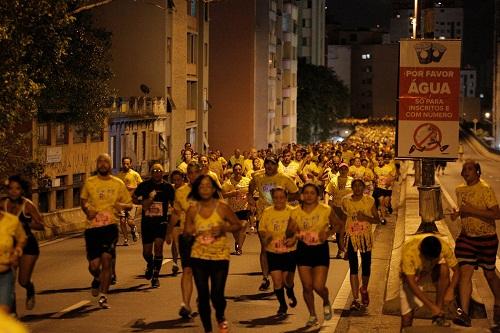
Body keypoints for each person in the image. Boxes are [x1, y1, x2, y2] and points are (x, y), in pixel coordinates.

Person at [184, 175, 242, 333]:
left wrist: (224, 229)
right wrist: (190, 232)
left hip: (220, 255)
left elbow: (237, 225)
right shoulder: (192, 209)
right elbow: (187, 231)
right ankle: (208, 329)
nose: (205, 189)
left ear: (214, 189)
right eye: (201, 186)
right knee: (202, 296)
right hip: (199, 256)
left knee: (217, 295)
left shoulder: (222, 207)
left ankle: (220, 316)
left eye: (208, 186)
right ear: (197, 189)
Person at [451, 160, 500, 327]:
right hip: (467, 238)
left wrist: (469, 210)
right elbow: (462, 210)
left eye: (470, 169)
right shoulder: (459, 190)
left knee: (490, 275)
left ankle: (498, 302)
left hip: (487, 239)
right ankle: (464, 314)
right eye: (464, 169)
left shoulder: (485, 190)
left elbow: (496, 214)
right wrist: (457, 214)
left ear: (478, 172)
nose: (466, 172)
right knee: (465, 274)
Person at [81, 153, 133, 308]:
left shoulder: (118, 183)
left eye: (106, 161)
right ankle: (97, 278)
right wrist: (87, 210)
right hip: (92, 229)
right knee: (94, 266)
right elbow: (83, 201)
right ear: (97, 164)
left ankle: (103, 296)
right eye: (100, 161)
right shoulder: (90, 182)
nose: (103, 164)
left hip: (110, 228)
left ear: (110, 165)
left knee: (107, 260)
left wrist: (121, 206)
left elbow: (129, 204)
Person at [248, 155, 300, 291]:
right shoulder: (258, 177)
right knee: (264, 247)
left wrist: (284, 200)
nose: (269, 166)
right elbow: (251, 186)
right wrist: (251, 199)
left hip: (281, 218)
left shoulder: (284, 178)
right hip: (263, 216)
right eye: (267, 164)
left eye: (272, 164)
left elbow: (296, 193)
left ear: (277, 165)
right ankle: (265, 278)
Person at [290, 184, 337, 326]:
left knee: (318, 286)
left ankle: (326, 300)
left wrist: (327, 233)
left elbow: (338, 224)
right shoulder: (295, 212)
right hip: (303, 249)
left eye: (312, 193)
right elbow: (290, 231)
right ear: (302, 195)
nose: (309, 195)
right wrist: (294, 235)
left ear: (318, 195)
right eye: (306, 193)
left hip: (320, 250)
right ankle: (312, 315)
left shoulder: (326, 210)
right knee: (307, 286)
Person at [0, 175, 44, 310]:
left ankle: (29, 289)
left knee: (22, 280)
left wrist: (25, 223)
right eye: (11, 188)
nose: (14, 191)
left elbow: (41, 225)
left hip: (28, 245)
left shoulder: (28, 205)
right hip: (9, 246)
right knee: (9, 282)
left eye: (17, 188)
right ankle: (12, 314)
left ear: (22, 190)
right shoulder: (3, 204)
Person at [400, 234, 459, 328]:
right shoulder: (409, 253)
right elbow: (411, 283)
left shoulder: (444, 246)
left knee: (444, 268)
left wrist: (451, 290)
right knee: (407, 318)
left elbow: (457, 270)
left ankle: (438, 316)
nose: (431, 261)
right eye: (428, 259)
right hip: (413, 275)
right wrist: (431, 306)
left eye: (434, 259)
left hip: (430, 270)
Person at [133, 164, 175, 288]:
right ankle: (150, 265)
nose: (157, 173)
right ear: (151, 172)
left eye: (159, 171)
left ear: (163, 173)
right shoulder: (144, 185)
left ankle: (155, 276)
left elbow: (174, 204)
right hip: (147, 222)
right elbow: (134, 198)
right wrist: (143, 202)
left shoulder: (167, 187)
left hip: (161, 222)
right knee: (146, 252)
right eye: (154, 171)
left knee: (158, 247)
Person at [169, 161, 202, 318]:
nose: (193, 176)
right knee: (187, 270)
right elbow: (176, 213)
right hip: (186, 236)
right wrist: (169, 232)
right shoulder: (181, 192)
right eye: (191, 173)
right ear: (187, 175)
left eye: (196, 172)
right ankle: (186, 305)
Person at [341, 179, 380, 311]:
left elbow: (377, 220)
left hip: (365, 238)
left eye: (360, 186)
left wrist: (366, 218)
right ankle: (355, 299)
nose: (357, 188)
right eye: (355, 186)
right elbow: (343, 219)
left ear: (363, 188)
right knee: (352, 266)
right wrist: (342, 238)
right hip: (351, 237)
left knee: (366, 265)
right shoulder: (345, 201)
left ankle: (364, 289)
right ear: (351, 187)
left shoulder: (370, 201)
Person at [258, 187, 298, 316]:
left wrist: (293, 238)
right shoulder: (267, 212)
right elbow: (262, 229)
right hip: (273, 251)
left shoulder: (293, 212)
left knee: (287, 281)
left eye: (282, 197)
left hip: (289, 252)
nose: (279, 200)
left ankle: (290, 291)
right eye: (276, 198)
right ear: (272, 199)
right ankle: (282, 305)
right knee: (277, 280)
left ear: (286, 198)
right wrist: (266, 236)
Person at [221, 163, 251, 255]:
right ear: (233, 171)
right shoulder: (228, 182)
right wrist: (232, 194)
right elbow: (223, 194)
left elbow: (252, 192)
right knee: (235, 231)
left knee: (243, 226)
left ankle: (239, 249)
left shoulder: (247, 181)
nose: (238, 172)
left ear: (241, 171)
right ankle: (238, 242)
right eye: (236, 170)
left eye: (239, 170)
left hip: (244, 208)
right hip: (232, 209)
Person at [324, 163, 352, 258]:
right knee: (339, 230)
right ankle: (341, 250)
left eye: (345, 169)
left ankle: (346, 249)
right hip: (336, 208)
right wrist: (326, 204)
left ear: (348, 170)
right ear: (339, 170)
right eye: (341, 169)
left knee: (347, 230)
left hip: (348, 209)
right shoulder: (333, 180)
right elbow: (327, 193)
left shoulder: (352, 181)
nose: (343, 170)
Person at [0, 210, 26, 314]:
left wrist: (17, 250)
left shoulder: (12, 220)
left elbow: (22, 238)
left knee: (3, 313)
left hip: (4, 273)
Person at [116, 157, 142, 245]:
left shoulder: (135, 174)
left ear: (130, 164)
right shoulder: (119, 175)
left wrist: (132, 189)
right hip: (122, 202)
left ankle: (133, 228)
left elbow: (141, 185)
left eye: (127, 164)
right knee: (122, 221)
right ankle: (126, 239)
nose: (125, 165)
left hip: (132, 201)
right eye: (124, 163)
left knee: (130, 221)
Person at [169, 170, 186, 274]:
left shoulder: (188, 189)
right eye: (174, 180)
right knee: (175, 241)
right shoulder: (171, 189)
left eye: (178, 179)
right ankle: (175, 263)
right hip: (175, 217)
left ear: (183, 179)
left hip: (187, 218)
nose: (176, 182)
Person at [373, 154, 395, 225]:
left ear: (384, 160)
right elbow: (375, 177)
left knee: (386, 202)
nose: (380, 161)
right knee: (381, 200)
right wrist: (375, 180)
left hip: (387, 188)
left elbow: (393, 177)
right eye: (378, 160)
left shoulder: (389, 168)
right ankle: (383, 218)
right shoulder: (375, 168)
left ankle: (388, 208)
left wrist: (389, 182)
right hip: (379, 188)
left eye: (381, 160)